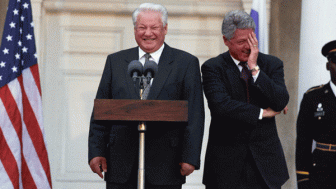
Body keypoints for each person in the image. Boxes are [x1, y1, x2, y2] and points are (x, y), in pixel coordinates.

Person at [88, 3, 205, 189]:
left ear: (165, 29)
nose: (148, 33)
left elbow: (195, 113)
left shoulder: (186, 63)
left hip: (166, 164)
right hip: (121, 162)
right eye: (142, 27)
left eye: (154, 27)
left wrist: (190, 157)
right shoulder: (115, 62)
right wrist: (96, 152)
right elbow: (101, 110)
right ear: (135, 29)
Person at [201, 10, 289, 189]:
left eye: (251, 40)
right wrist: (261, 113)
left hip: (266, 167)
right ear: (226, 40)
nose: (248, 47)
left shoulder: (272, 64)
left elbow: (281, 101)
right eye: (241, 42)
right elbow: (221, 106)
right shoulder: (213, 68)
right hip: (225, 167)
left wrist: (255, 69)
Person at [296, 40, 336, 189]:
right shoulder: (313, 97)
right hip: (321, 174)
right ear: (328, 65)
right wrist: (303, 181)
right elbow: (303, 144)